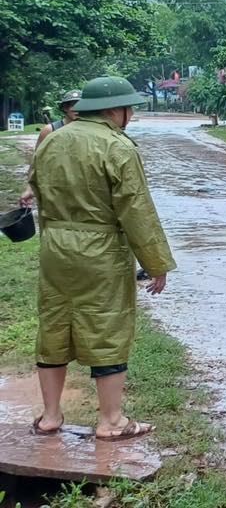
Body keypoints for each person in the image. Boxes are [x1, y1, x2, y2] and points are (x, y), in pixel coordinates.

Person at [26, 76, 175, 441]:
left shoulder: (52, 140)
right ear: (113, 110)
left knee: (55, 325)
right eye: (130, 110)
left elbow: (37, 189)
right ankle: (111, 421)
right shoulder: (118, 147)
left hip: (55, 247)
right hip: (101, 249)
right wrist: (156, 264)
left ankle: (50, 416)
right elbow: (136, 211)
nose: (132, 117)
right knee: (107, 328)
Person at [17, 90, 82, 208]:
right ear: (65, 108)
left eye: (81, 105)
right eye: (73, 105)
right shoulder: (50, 130)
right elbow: (37, 162)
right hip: (55, 187)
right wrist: (30, 188)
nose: (77, 109)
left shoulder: (91, 130)